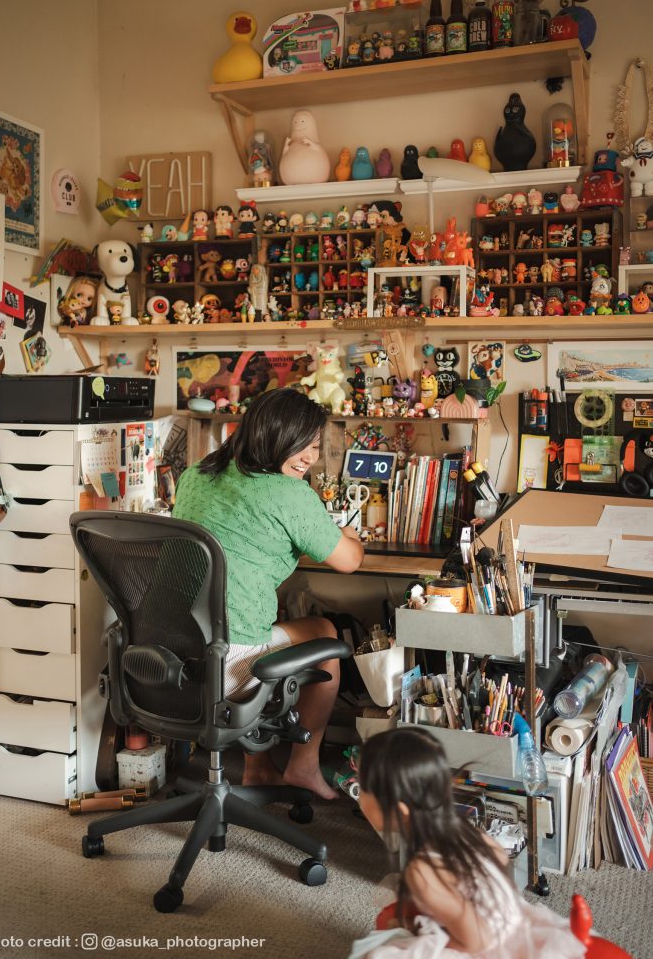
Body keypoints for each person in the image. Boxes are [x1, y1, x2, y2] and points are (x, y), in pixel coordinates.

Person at [172, 387, 364, 799]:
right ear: (275, 435)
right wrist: (347, 535)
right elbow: (349, 561)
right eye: (305, 445)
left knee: (267, 620)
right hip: (229, 660)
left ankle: (258, 768)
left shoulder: (196, 475)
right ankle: (303, 767)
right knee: (326, 635)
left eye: (316, 446)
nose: (312, 457)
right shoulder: (289, 493)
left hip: (174, 652)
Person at [349, 727, 584, 959]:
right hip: (512, 921)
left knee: (378, 955)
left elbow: (477, 941)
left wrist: (424, 934)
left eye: (363, 790)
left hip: (488, 946)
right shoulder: (466, 832)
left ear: (398, 811)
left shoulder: (422, 872)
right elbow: (500, 857)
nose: (359, 799)